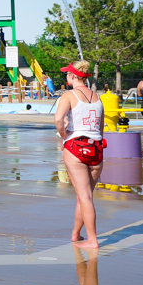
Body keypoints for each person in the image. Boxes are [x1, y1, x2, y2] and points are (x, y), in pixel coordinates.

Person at [55, 60, 104, 246]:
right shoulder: (97, 97)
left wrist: (63, 134)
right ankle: (76, 234)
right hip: (96, 148)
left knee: (84, 197)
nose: (66, 76)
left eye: (67, 73)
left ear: (73, 76)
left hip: (76, 146)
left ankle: (92, 240)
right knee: (85, 196)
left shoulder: (69, 95)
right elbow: (100, 127)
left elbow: (58, 118)